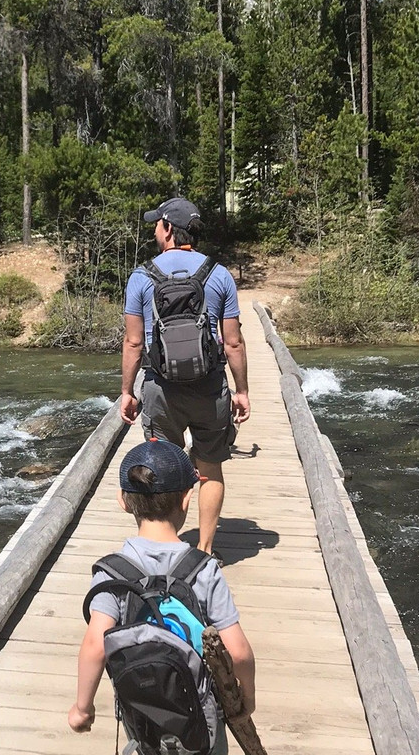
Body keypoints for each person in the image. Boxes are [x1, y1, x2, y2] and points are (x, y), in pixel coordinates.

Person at [67, 439, 256, 752]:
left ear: (123, 501)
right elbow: (237, 653)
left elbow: (94, 645)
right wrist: (245, 697)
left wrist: (82, 708)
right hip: (202, 714)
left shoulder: (112, 573)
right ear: (186, 500)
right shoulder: (204, 570)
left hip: (143, 709)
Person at [119, 196, 249, 563]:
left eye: (156, 225)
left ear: (167, 229)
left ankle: (163, 547)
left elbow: (132, 341)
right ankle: (205, 552)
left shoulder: (142, 276)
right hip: (210, 388)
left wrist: (127, 392)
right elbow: (234, 342)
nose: (154, 231)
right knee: (209, 465)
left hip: (161, 389)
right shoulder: (218, 274)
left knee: (161, 464)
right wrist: (242, 391)